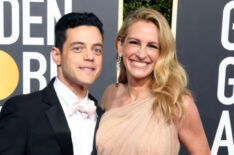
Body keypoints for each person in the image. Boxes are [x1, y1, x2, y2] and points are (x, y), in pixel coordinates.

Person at [96, 8, 211, 155]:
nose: (141, 54)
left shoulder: (177, 103)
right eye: (134, 42)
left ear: (162, 53)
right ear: (120, 45)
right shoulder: (111, 93)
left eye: (152, 46)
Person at [0, 12, 104, 155]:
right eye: (78, 48)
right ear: (57, 55)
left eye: (97, 50)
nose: (90, 57)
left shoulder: (104, 118)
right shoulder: (23, 110)